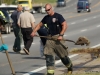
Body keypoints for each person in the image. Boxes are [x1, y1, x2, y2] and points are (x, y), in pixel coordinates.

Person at [31, 3, 73, 75]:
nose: (47, 11)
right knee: (48, 56)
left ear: (52, 8)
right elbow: (39, 25)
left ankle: (70, 67)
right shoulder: (46, 18)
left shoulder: (58, 16)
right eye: (46, 10)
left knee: (63, 56)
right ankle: (50, 73)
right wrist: (34, 32)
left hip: (58, 38)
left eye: (48, 9)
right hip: (49, 38)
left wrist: (61, 35)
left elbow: (65, 25)